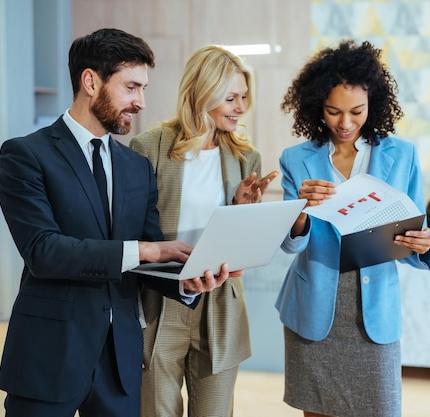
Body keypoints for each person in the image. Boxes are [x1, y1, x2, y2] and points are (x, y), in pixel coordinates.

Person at [0, 28, 235, 417]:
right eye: (131, 87)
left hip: (120, 362)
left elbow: (149, 259)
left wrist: (185, 281)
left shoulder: (136, 168)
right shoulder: (26, 155)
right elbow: (43, 250)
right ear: (91, 81)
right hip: (49, 355)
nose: (140, 102)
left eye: (143, 88)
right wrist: (146, 250)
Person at [276, 39, 430, 417]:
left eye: (356, 111)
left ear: (374, 104)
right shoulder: (295, 160)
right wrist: (300, 211)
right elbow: (291, 245)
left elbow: (417, 233)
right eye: (333, 111)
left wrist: (424, 243)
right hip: (314, 309)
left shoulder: (403, 155)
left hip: (375, 309)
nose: (345, 124)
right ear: (317, 105)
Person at [129, 45, 278, 417]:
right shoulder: (149, 148)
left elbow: (238, 240)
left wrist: (243, 210)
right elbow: (133, 235)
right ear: (201, 93)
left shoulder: (247, 158)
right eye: (230, 97)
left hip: (220, 301)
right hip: (160, 301)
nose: (240, 107)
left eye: (244, 97)